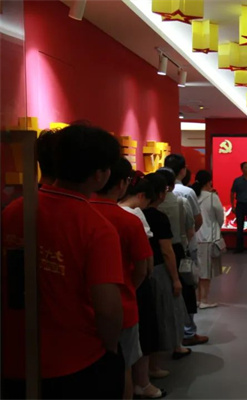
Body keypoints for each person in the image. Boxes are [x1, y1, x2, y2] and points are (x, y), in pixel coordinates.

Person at [2, 124, 125, 399]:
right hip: (77, 360)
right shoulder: (96, 227)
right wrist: (111, 347)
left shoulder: (14, 210)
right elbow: (107, 308)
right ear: (99, 174)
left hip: (15, 355)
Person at [91, 157, 154, 399]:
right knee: (123, 367)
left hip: (81, 309)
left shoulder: (80, 213)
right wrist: (129, 288)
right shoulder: (130, 220)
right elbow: (142, 268)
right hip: (123, 307)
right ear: (121, 183)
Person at [119, 173, 166, 398]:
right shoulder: (135, 215)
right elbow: (144, 260)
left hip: (116, 282)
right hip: (135, 285)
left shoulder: (104, 210)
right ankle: (143, 383)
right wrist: (139, 283)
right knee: (142, 334)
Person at [142, 172, 189, 377]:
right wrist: (176, 279)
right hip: (158, 269)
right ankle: (153, 365)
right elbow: (167, 251)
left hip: (140, 269)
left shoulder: (135, 213)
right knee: (161, 313)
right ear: (162, 193)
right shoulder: (159, 217)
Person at [155, 168, 209, 348]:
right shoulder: (181, 201)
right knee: (185, 291)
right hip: (178, 249)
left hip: (153, 254)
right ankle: (187, 333)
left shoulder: (147, 206)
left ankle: (163, 337)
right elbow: (193, 227)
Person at [194, 170, 225, 309]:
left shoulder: (192, 195)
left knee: (196, 270)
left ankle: (197, 298)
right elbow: (220, 218)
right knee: (206, 272)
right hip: (208, 237)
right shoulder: (213, 197)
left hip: (194, 237)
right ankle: (204, 300)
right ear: (209, 182)